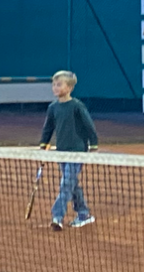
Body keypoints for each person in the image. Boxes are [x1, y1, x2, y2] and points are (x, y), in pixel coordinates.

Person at [38, 69, 100, 231]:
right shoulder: (53, 108)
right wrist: (43, 145)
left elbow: (89, 126)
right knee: (72, 184)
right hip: (62, 152)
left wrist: (93, 145)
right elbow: (48, 128)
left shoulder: (77, 106)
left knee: (66, 184)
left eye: (59, 84)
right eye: (54, 84)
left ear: (70, 88)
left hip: (77, 152)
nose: (55, 87)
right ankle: (83, 213)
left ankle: (57, 216)